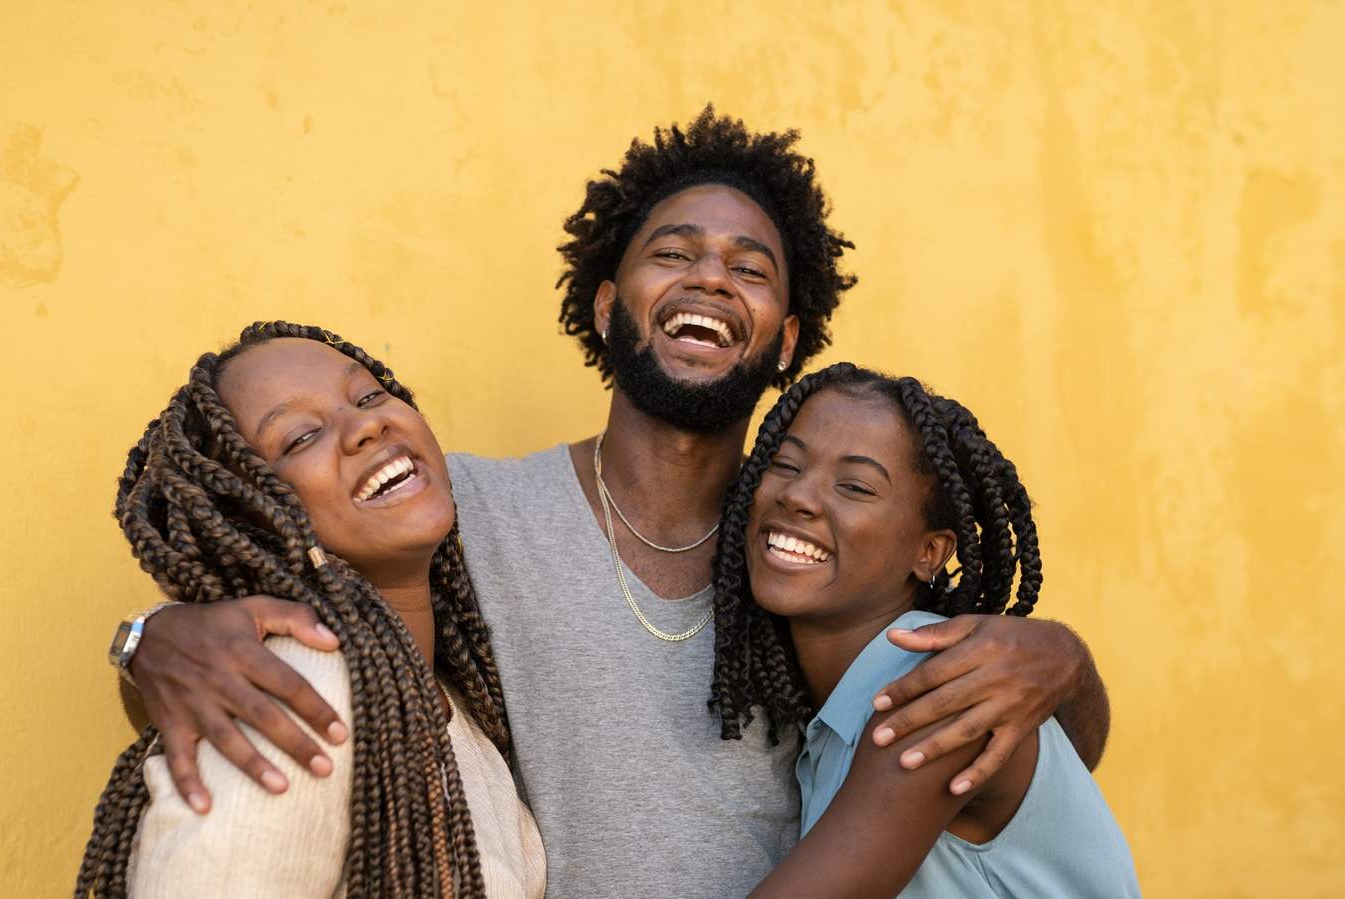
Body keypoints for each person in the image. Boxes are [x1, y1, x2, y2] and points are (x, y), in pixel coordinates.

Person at [110, 108, 1113, 898]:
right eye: (674, 253)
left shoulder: (818, 564)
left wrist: (1062, 657)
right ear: (605, 302)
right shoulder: (460, 512)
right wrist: (152, 635)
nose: (711, 276)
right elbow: (288, 650)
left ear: (789, 338)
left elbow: (1008, 762)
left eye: (750, 267)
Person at [76, 323, 544, 898]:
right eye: (300, 437)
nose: (368, 424)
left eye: (369, 395)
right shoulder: (298, 691)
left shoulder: (451, 706)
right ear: (251, 517)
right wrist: (145, 635)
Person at [716, 364, 1140, 898]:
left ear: (929, 552)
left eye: (855, 486)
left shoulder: (939, 688)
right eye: (784, 463)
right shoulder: (833, 718)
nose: (798, 495)